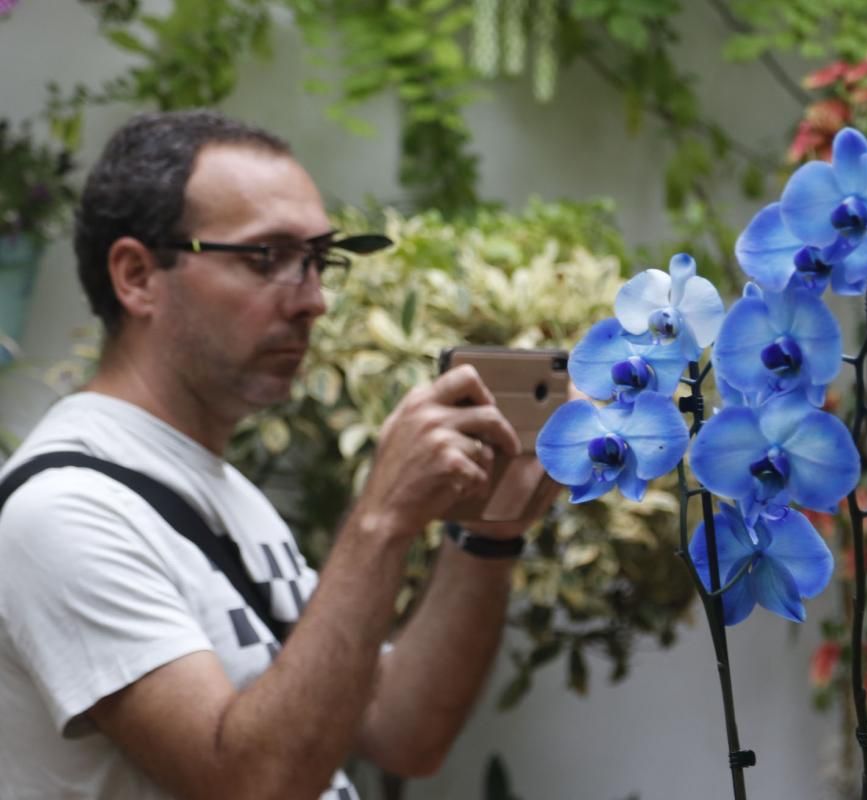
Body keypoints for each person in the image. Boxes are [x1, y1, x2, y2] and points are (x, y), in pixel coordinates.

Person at [0, 109, 556, 799]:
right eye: (267, 258)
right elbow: (253, 784)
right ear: (137, 276)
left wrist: (489, 534)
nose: (315, 300)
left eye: (320, 260)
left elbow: (403, 730)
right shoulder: (64, 513)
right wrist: (383, 519)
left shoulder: (226, 493)